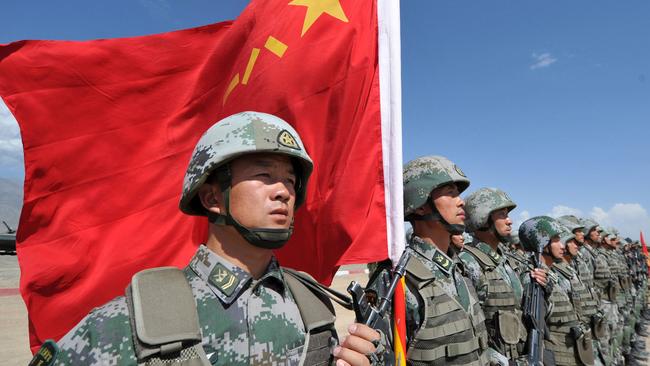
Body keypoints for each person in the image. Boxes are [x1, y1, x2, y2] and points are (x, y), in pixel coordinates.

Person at [32, 112, 380, 366]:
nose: (284, 192)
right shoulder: (135, 320)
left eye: (290, 180)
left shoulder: (313, 308)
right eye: (264, 174)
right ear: (212, 198)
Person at [367, 156, 500, 365]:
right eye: (450, 192)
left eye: (458, 193)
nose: (461, 201)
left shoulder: (459, 269)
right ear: (420, 205)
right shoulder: (396, 279)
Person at [459, 187, 547, 363]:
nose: (510, 221)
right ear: (482, 219)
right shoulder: (468, 262)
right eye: (502, 215)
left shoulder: (509, 261)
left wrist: (541, 285)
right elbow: (467, 329)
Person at [519, 216, 587, 366]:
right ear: (541, 243)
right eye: (556, 240)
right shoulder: (534, 279)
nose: (562, 245)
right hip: (554, 358)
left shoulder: (551, 275)